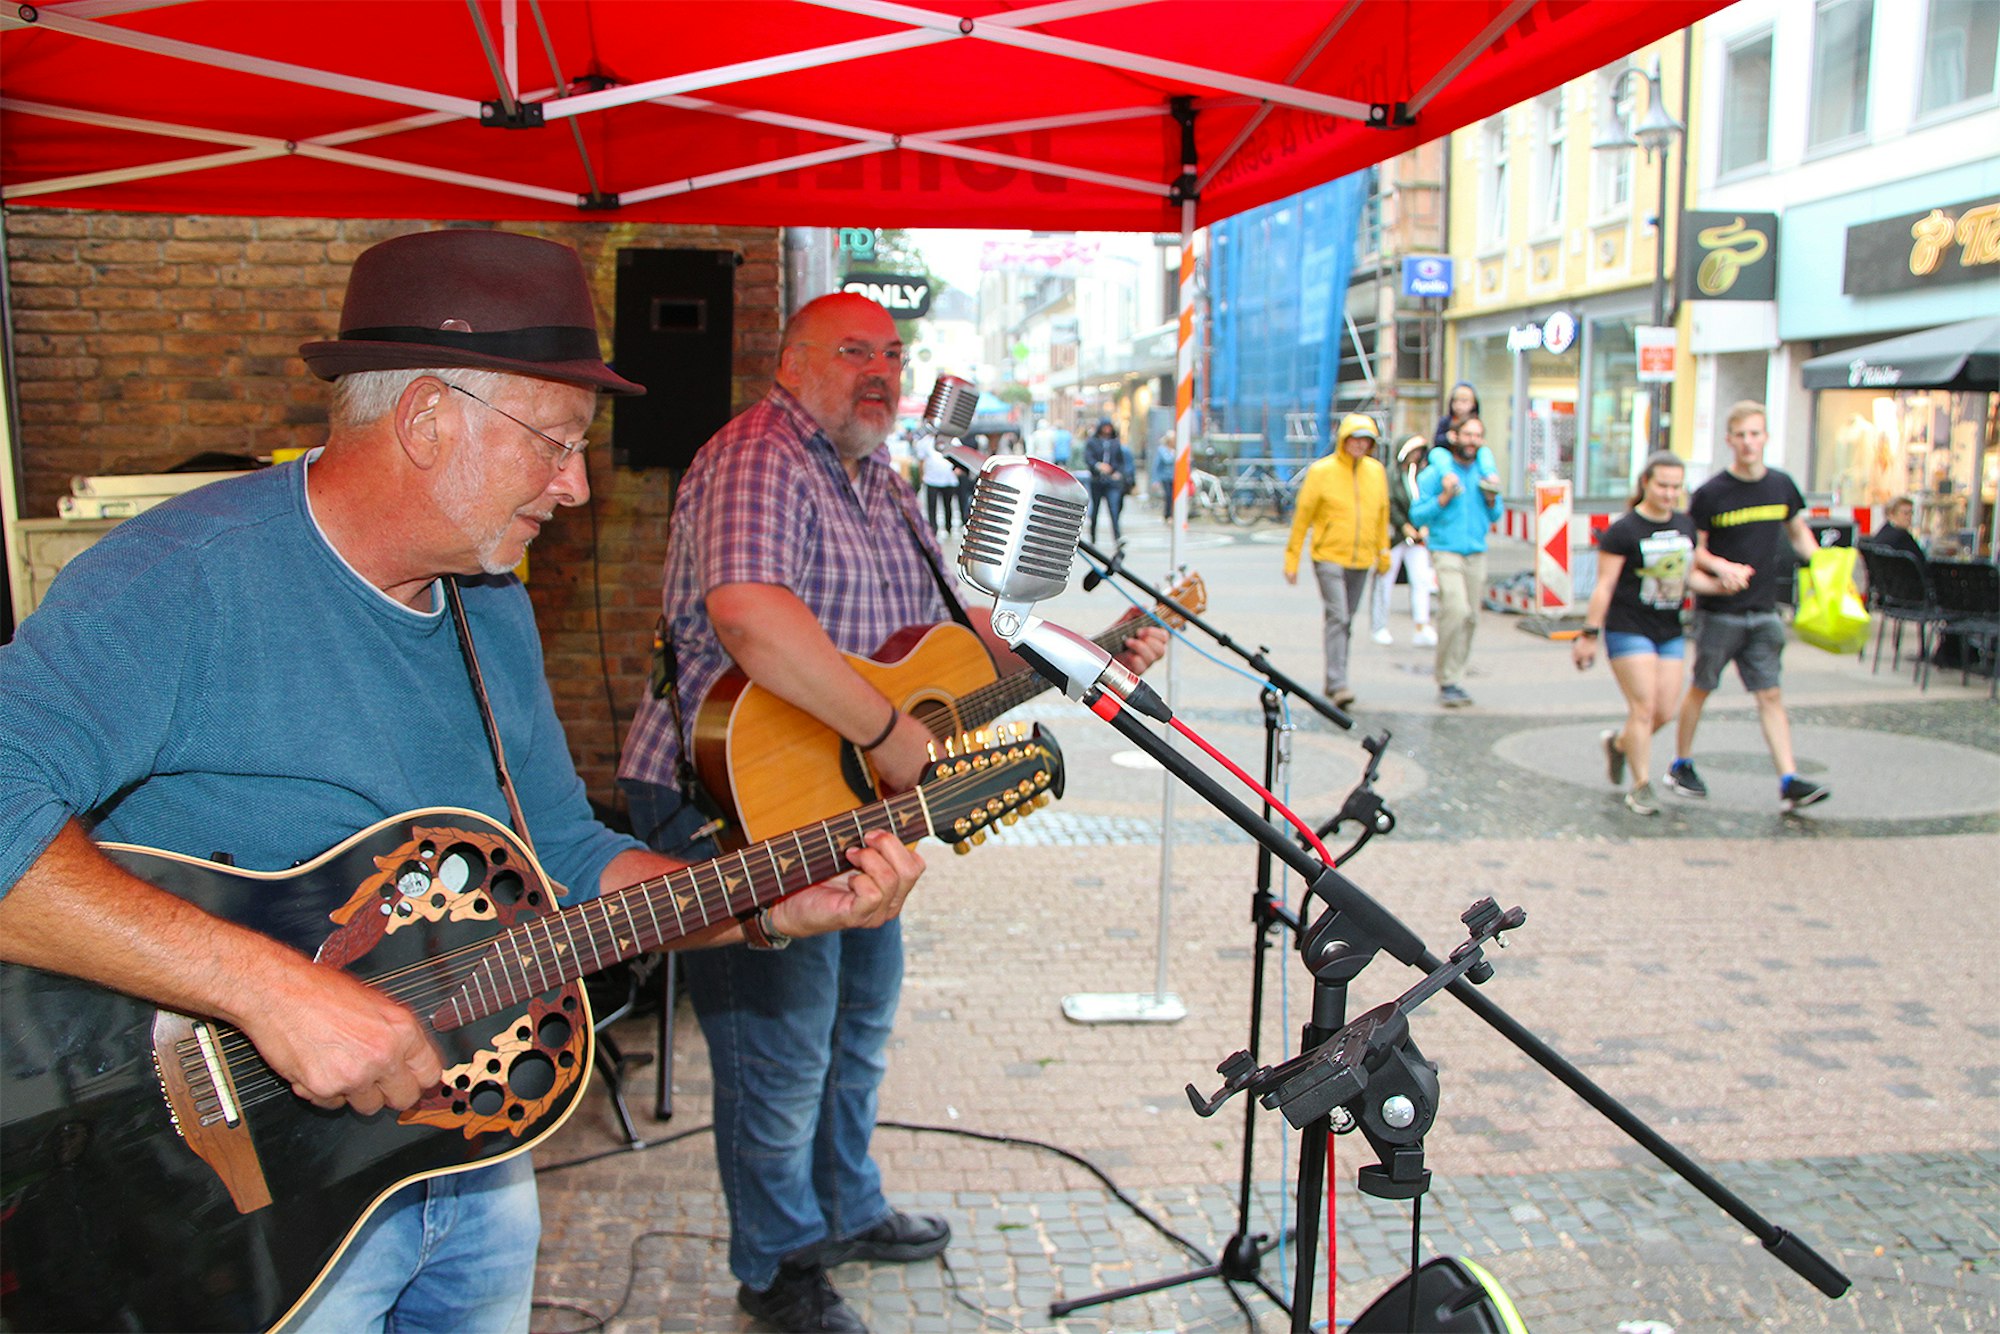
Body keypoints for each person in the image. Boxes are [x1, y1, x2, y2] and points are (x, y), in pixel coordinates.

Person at [0, 230, 924, 1334]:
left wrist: (758, 910)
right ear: (430, 420)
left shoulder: (488, 604)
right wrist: (274, 987)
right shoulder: (182, 579)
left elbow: (566, 860)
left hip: (470, 1158)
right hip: (227, 1196)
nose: (577, 486)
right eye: (557, 442)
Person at [617, 292, 1164, 1334]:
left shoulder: (877, 477)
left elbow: (954, 651)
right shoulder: (760, 454)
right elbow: (748, 613)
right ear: (791, 362)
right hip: (737, 787)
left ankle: (844, 1203)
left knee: (857, 1018)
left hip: (849, 801)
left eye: (894, 353)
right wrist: (880, 730)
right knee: (780, 1044)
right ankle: (776, 1262)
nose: (881, 370)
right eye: (853, 349)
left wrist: (1087, 650)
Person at [1667, 401, 1830, 813]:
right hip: (1720, 610)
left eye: (1755, 434)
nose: (1748, 443)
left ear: (1766, 437)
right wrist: (1722, 568)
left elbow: (1799, 534)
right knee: (1702, 687)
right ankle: (1680, 762)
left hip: (1763, 610)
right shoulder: (1711, 494)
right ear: (1729, 441)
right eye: (1740, 435)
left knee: (1770, 694)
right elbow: (1694, 550)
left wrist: (1827, 570)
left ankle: (1788, 778)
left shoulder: (1781, 486)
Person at [1570, 452, 1712, 816]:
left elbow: (1687, 574)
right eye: (1662, 485)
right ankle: (1641, 785)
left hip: (1669, 626)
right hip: (1628, 625)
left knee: (1665, 710)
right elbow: (1604, 585)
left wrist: (1720, 585)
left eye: (1676, 487)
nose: (1669, 493)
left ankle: (1620, 745)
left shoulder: (1685, 525)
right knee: (1643, 707)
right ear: (1645, 483)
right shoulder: (1624, 531)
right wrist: (1589, 633)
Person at [1284, 414, 1391, 710]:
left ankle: (1336, 678)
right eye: (1354, 438)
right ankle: (1337, 682)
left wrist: (1384, 552)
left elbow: (1382, 515)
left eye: (1365, 439)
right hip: (1329, 556)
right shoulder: (1322, 471)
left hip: (1362, 557)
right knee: (1339, 616)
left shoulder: (1376, 472)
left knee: (1346, 619)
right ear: (1343, 440)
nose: (1359, 444)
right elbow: (1303, 516)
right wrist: (1291, 558)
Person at [1410, 415, 1504, 708]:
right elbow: (1417, 515)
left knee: (1471, 617)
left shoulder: (1484, 472)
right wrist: (1443, 498)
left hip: (1476, 551)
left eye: (1478, 436)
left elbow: (1496, 515)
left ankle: (1455, 677)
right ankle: (1447, 678)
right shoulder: (1436, 474)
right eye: (1467, 435)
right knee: (1455, 608)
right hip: (1445, 549)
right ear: (1454, 437)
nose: (1472, 441)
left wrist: (1491, 499)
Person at [1370, 435, 1438, 649]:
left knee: (1421, 580)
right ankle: (1379, 626)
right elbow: (1388, 502)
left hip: (1418, 537)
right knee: (1385, 581)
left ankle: (1421, 625)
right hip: (1395, 536)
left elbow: (1428, 501)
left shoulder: (1423, 475)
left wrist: (1424, 525)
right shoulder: (1392, 475)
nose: (1416, 456)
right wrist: (1403, 525)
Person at [1083, 419, 1131, 543]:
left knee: (1114, 509)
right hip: (1097, 480)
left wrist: (1117, 473)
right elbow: (1088, 458)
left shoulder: (1115, 443)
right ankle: (1093, 537)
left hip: (1112, 482)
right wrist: (1098, 466)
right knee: (1095, 510)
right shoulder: (1093, 442)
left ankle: (1117, 536)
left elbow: (1120, 461)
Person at [917, 432, 960, 534]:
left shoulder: (953, 440)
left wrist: (958, 470)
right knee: (931, 506)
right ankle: (933, 530)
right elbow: (921, 460)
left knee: (948, 505)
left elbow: (960, 457)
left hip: (948, 479)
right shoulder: (925, 442)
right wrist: (921, 475)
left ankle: (948, 527)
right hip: (931, 479)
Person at [1866, 495, 1926, 561]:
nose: (1910, 517)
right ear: (1891, 514)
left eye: (1911, 513)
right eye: (1905, 513)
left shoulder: (1883, 531)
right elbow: (1920, 560)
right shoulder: (1902, 536)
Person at [1432, 380, 1481, 452]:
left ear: (1473, 404)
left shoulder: (1475, 422)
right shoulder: (1446, 421)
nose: (1459, 405)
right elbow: (1436, 440)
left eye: (1464, 401)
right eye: (1455, 401)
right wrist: (1446, 438)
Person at [1151, 430, 1178, 519]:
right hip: (1166, 477)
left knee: (1176, 496)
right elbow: (1158, 465)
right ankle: (1168, 514)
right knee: (1169, 495)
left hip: (1176, 477)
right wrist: (1155, 480)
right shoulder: (1162, 450)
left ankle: (1175, 513)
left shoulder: (1178, 449)